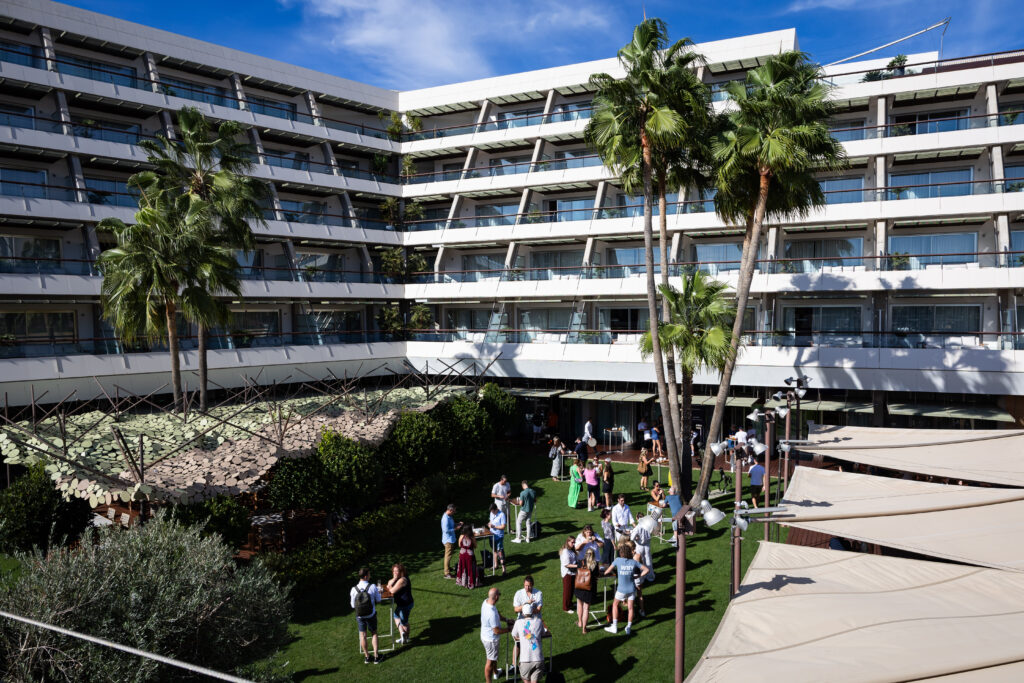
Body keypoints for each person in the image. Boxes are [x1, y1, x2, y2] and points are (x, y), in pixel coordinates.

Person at [603, 543, 649, 635]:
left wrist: (605, 570)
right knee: (631, 608)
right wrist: (638, 576)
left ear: (621, 553)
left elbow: (607, 572)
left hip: (621, 590)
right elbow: (647, 570)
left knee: (615, 605)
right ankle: (628, 627)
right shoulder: (634, 562)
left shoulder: (617, 560)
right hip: (632, 589)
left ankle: (614, 626)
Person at [481, 587, 514, 683]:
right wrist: (509, 629)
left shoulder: (486, 602)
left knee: (493, 657)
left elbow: (497, 613)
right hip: (491, 640)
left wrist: (506, 620)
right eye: (499, 594)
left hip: (485, 635)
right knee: (490, 662)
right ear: (496, 597)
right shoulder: (491, 614)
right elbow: (496, 631)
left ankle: (496, 673)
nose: (499, 596)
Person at [351, 566, 382, 663]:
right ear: (365, 576)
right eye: (369, 574)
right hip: (371, 615)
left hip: (360, 616)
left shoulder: (353, 589)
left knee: (363, 635)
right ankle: (376, 657)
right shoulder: (372, 587)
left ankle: (367, 657)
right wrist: (379, 592)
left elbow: (352, 605)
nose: (370, 576)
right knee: (374, 633)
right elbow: (379, 600)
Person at [512, 602, 548, 683]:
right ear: (532, 612)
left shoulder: (518, 622)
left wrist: (522, 637)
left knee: (526, 680)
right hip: (538, 659)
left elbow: (514, 635)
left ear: (522, 613)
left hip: (525, 660)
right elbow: (543, 633)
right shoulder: (539, 621)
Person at [574, 547, 600, 634]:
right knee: (586, 608)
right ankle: (584, 629)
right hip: (589, 588)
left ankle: (580, 622)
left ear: (585, 554)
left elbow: (577, 572)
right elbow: (597, 575)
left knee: (579, 605)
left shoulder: (580, 562)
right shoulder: (595, 564)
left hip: (579, 587)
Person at [386, 563, 414, 644]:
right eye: (393, 571)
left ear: (401, 571)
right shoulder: (398, 578)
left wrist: (391, 587)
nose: (394, 572)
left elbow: (392, 591)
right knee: (396, 616)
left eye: (396, 571)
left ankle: (406, 638)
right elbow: (388, 584)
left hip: (405, 604)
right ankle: (403, 634)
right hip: (401, 604)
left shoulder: (403, 580)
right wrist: (394, 579)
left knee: (404, 622)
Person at [629, 513, 655, 583]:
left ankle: (642, 577)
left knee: (640, 562)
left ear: (637, 518)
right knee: (648, 561)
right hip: (647, 546)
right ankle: (650, 577)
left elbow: (631, 538)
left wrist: (636, 538)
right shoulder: (648, 525)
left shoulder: (637, 527)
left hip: (639, 546)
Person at [456, 522, 479, 589]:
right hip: (470, 555)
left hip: (462, 555)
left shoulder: (461, 536)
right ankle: (471, 582)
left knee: (463, 568)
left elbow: (459, 545)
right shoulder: (472, 537)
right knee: (471, 569)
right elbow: (475, 546)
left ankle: (463, 582)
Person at [559, 536, 578, 613]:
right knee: (567, 591)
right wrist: (577, 566)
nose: (573, 544)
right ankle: (566, 608)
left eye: (574, 542)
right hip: (567, 573)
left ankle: (570, 603)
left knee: (571, 590)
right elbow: (566, 564)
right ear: (568, 542)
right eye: (572, 542)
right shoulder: (565, 551)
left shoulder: (571, 550)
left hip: (572, 572)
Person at [488, 503, 507, 574]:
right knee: (494, 550)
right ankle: (496, 565)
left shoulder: (502, 515)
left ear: (496, 509)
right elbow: (491, 521)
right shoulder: (491, 513)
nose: (492, 513)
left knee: (500, 552)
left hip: (499, 536)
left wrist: (494, 526)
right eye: (491, 512)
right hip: (492, 535)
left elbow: (503, 526)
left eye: (493, 511)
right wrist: (489, 524)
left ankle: (504, 569)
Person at [441, 503, 457, 579]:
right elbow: (446, 530)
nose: (454, 512)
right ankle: (447, 573)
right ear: (450, 510)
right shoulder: (445, 519)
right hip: (448, 540)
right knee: (448, 556)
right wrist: (455, 529)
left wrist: (457, 524)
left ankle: (448, 568)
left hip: (450, 539)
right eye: (453, 511)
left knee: (449, 556)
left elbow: (451, 525)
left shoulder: (449, 517)